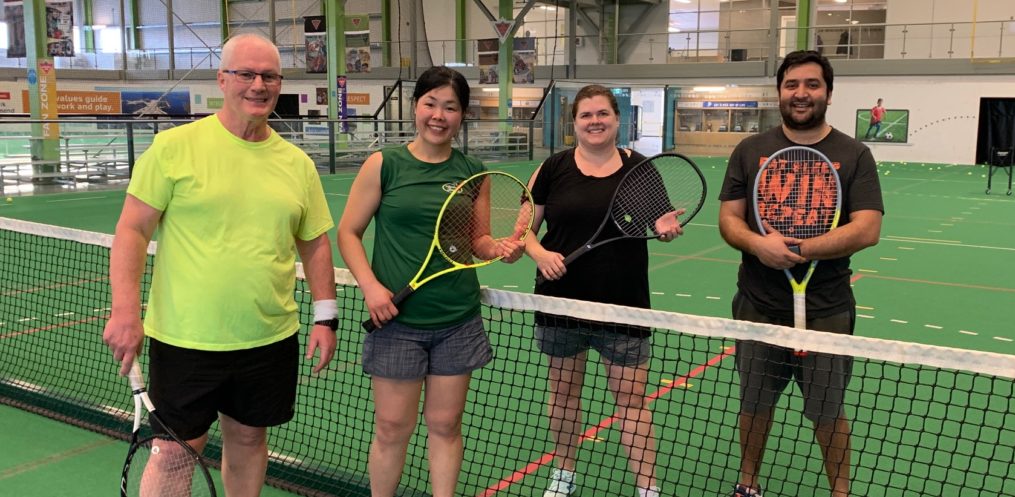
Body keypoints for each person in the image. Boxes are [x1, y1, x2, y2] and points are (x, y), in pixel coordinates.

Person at [102, 33, 338, 496]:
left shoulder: (296, 164)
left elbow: (314, 242)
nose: (258, 85)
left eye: (269, 75)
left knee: (249, 438)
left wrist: (326, 316)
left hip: (268, 337)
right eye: (246, 74)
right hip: (185, 339)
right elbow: (131, 230)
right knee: (173, 452)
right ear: (222, 79)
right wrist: (125, 311)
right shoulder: (174, 149)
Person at [336, 66, 524, 497]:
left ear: (462, 116)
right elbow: (348, 233)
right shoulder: (384, 164)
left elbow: (476, 240)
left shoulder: (474, 171)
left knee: (444, 425)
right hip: (397, 323)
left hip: (457, 320)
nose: (439, 115)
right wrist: (370, 287)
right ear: (416, 107)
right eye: (430, 104)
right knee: (391, 428)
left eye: (451, 107)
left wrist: (500, 248)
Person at [718, 50, 884, 497]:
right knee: (753, 404)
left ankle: (840, 492)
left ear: (828, 92)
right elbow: (729, 220)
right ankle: (748, 483)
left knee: (827, 411)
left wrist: (798, 249)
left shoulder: (854, 154)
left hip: (826, 310)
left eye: (812, 84)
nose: (801, 93)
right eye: (792, 85)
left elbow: (868, 229)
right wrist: (758, 245)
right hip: (757, 305)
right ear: (779, 92)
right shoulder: (751, 150)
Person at [525, 84, 686, 497]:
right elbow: (524, 231)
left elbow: (660, 222)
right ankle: (563, 474)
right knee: (563, 395)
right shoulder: (552, 168)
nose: (595, 121)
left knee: (632, 403)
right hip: (561, 303)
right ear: (574, 122)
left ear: (617, 119)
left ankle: (648, 489)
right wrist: (540, 253)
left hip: (624, 307)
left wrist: (665, 230)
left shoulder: (641, 169)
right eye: (586, 115)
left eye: (602, 114)